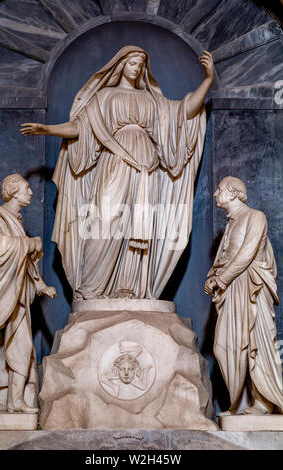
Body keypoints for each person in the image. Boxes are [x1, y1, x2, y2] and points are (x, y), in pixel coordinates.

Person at [20, 45, 214, 300]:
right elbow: (80, 127)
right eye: (133, 63)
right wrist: (47, 129)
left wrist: (209, 79)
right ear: (121, 64)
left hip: (147, 169)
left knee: (140, 223)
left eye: (142, 65)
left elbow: (185, 111)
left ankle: (131, 289)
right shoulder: (104, 97)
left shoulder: (152, 100)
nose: (138, 69)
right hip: (115, 162)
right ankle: (90, 288)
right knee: (105, 221)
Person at [205, 176, 283, 415]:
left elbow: (247, 253)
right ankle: (239, 403)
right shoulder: (231, 223)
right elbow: (224, 258)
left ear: (233, 192)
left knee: (254, 343)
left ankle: (263, 403)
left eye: (219, 190)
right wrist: (213, 277)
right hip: (232, 289)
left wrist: (221, 279)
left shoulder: (255, 217)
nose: (215, 194)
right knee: (223, 346)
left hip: (251, 287)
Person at [0, 174, 56, 413]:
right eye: (27, 188)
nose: (31, 193)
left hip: (20, 294)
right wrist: (30, 243)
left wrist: (40, 285)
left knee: (23, 347)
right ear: (13, 190)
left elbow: (25, 265)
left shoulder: (18, 221)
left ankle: (15, 401)